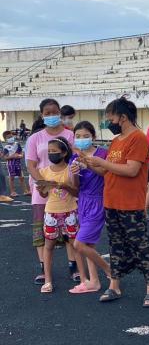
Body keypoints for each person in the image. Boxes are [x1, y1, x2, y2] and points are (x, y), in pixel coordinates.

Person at [84, 97, 149, 307]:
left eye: (111, 117)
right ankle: (114, 285)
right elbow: (106, 171)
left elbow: (131, 170)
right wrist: (89, 164)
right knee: (115, 245)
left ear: (123, 117)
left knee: (141, 246)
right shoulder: (117, 141)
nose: (109, 122)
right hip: (112, 201)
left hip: (130, 204)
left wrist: (102, 161)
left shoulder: (138, 139)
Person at [26, 99, 75, 285]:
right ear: (41, 115)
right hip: (42, 191)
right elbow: (31, 164)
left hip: (65, 190)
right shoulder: (35, 138)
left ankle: (73, 266)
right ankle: (43, 268)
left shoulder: (70, 136)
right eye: (47, 113)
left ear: (60, 112)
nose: (51, 115)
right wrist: (43, 183)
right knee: (42, 231)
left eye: (54, 112)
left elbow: (75, 159)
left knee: (70, 229)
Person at [69, 121, 111, 294]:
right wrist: (74, 173)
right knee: (89, 244)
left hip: (98, 200)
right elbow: (75, 185)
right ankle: (94, 282)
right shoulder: (75, 157)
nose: (82, 139)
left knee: (79, 244)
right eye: (78, 136)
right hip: (83, 201)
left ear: (93, 136)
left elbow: (107, 174)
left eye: (86, 136)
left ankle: (109, 270)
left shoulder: (102, 153)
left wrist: (89, 165)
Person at [36, 137, 82, 293]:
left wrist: (65, 186)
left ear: (63, 153)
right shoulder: (44, 171)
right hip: (51, 212)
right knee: (49, 246)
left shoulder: (71, 169)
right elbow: (43, 195)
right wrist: (40, 190)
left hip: (70, 210)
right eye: (49, 151)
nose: (51, 154)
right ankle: (48, 280)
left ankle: (81, 275)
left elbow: (76, 191)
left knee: (76, 244)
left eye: (54, 151)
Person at [2, 130, 29, 197]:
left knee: (22, 177)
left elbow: (21, 152)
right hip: (11, 164)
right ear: (5, 139)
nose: (11, 138)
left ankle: (25, 191)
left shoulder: (17, 144)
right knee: (12, 178)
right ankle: (12, 192)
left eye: (11, 136)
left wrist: (21, 155)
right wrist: (12, 156)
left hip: (18, 163)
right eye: (8, 137)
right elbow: (5, 157)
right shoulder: (6, 147)